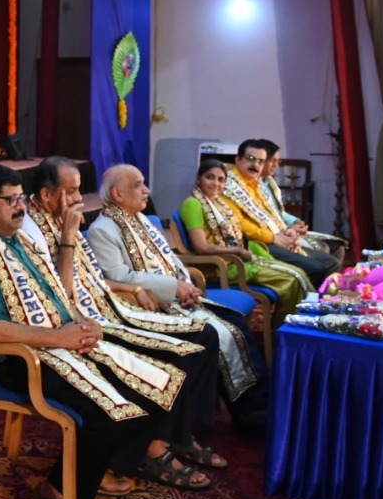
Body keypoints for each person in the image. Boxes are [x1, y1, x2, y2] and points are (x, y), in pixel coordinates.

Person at [0, 165, 212, 499]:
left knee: (158, 380)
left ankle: (111, 462)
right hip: (20, 358)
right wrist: (63, 339)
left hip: (54, 341)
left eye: (22, 197)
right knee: (110, 409)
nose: (20, 206)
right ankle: (56, 488)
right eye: (11, 200)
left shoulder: (19, 241)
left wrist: (78, 324)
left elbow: (55, 292)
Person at [20, 157, 229, 470]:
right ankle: (154, 447)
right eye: (72, 191)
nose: (79, 199)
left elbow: (92, 278)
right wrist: (66, 240)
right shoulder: (31, 230)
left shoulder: (64, 217)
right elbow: (60, 295)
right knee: (181, 352)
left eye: (80, 190)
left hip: (108, 305)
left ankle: (177, 434)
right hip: (84, 319)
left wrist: (130, 289)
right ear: (48, 195)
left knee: (205, 336)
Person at [87, 164, 269, 425]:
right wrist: (173, 287)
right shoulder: (103, 230)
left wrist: (183, 280)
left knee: (236, 322)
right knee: (221, 332)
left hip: (174, 296)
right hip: (147, 305)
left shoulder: (140, 219)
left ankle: (258, 401)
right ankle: (250, 413)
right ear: (117, 194)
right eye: (138, 185)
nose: (147, 190)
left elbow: (169, 257)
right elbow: (120, 278)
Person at [179, 158, 313, 320]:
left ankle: (296, 326)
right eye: (210, 177)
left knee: (299, 273)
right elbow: (202, 248)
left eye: (221, 179)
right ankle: (285, 332)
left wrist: (243, 250)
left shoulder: (219, 204)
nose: (216, 183)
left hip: (235, 261)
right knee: (292, 279)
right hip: (217, 266)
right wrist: (237, 250)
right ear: (198, 178)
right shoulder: (192, 204)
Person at [222, 140, 340, 282]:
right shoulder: (227, 186)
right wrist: (274, 238)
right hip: (256, 244)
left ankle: (320, 302)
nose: (255, 165)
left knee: (331, 262)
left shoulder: (255, 184)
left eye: (260, 161)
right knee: (317, 269)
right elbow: (240, 226)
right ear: (238, 159)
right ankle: (303, 303)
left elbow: (271, 215)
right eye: (251, 159)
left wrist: (286, 231)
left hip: (273, 237)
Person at [252, 138, 346, 267]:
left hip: (285, 229)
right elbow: (265, 217)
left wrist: (295, 222)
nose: (276, 165)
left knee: (339, 245)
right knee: (327, 256)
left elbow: (278, 212)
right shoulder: (252, 186)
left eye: (278, 161)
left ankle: (330, 283)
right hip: (275, 235)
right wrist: (289, 229)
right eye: (272, 161)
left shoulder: (269, 183)